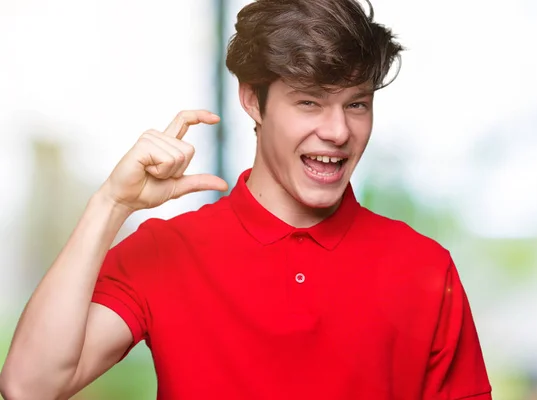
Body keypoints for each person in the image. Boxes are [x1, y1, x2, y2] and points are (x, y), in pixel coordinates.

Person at [0, 0, 492, 399]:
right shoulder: (168, 250)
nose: (339, 131)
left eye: (356, 104)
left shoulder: (424, 267)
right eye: (309, 102)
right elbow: (29, 386)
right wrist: (111, 204)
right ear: (253, 100)